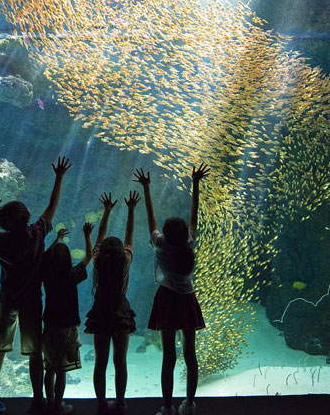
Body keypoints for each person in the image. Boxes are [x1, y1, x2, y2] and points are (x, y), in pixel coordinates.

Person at [0, 156, 72, 414]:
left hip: (7, 298)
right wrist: (59, 177)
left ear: (4, 223)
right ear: (27, 218)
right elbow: (51, 207)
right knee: (34, 351)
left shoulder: (0, 240)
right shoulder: (37, 234)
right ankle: (38, 399)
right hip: (31, 300)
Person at [133, 164, 210, 415]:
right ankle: (189, 403)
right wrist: (196, 183)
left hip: (167, 299)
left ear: (165, 234)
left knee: (168, 356)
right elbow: (194, 215)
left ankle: (167, 406)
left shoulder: (160, 245)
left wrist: (146, 187)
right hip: (188, 299)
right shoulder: (188, 242)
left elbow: (151, 221)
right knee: (190, 353)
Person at [85, 191, 141, 415]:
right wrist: (131, 209)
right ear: (122, 252)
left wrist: (107, 211)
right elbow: (130, 237)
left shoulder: (98, 259)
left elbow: (99, 239)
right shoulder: (125, 260)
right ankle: (120, 402)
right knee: (121, 361)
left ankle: (101, 403)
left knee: (101, 362)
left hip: (100, 312)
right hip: (120, 312)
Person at [40, 222, 94, 415]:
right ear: (68, 260)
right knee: (62, 369)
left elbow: (45, 258)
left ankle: (49, 402)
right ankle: (58, 405)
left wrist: (57, 240)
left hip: (50, 325)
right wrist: (87, 235)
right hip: (68, 327)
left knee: (49, 368)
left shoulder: (46, 274)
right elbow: (89, 257)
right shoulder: (71, 275)